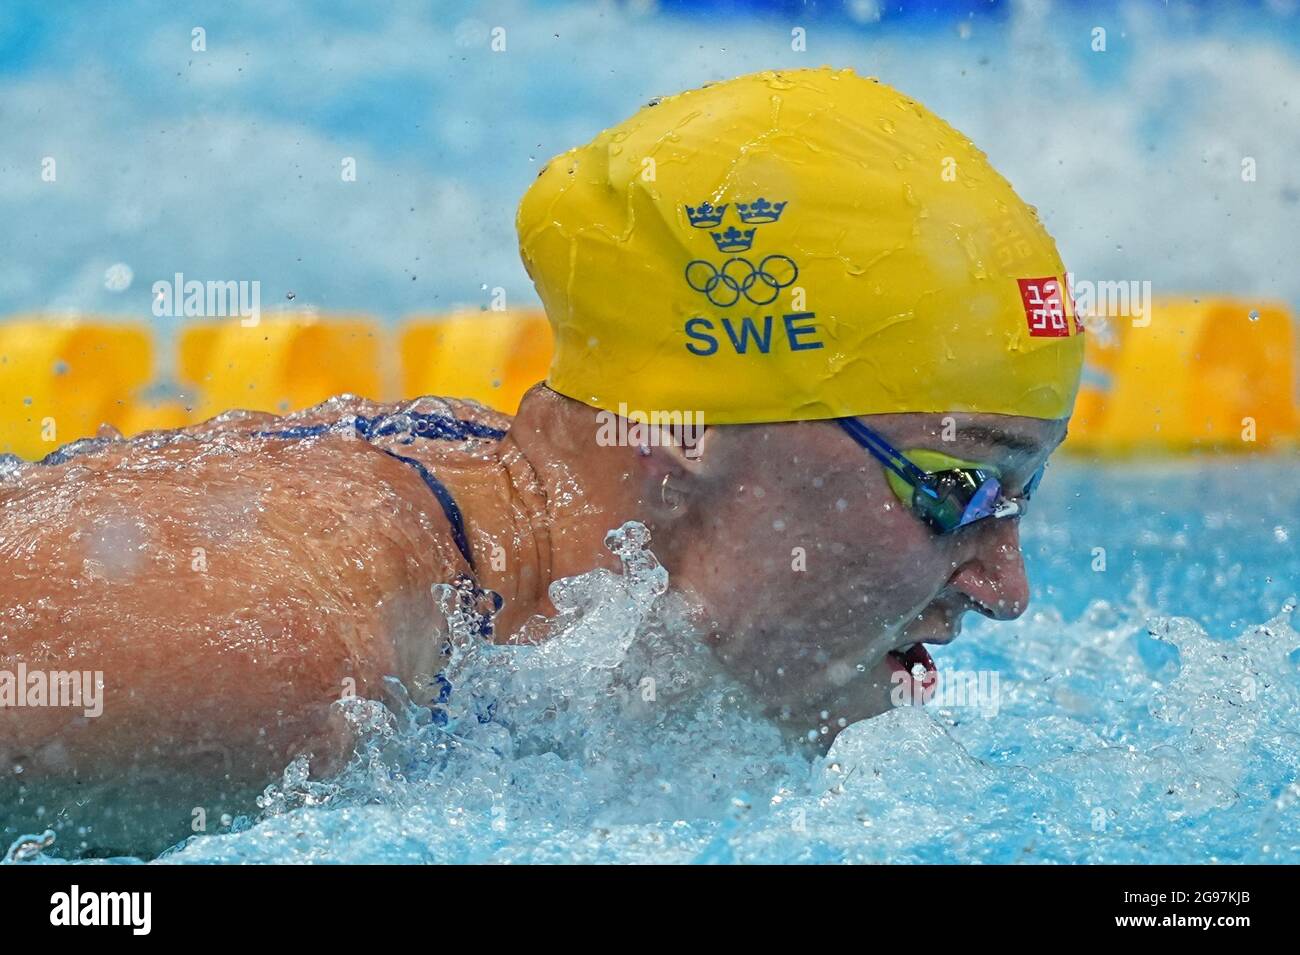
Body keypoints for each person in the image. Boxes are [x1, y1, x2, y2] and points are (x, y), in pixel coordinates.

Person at [0, 66, 1082, 856]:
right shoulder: (262, 659)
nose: (1006, 590)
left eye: (1020, 498)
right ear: (688, 432)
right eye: (955, 489)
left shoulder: (530, 593)